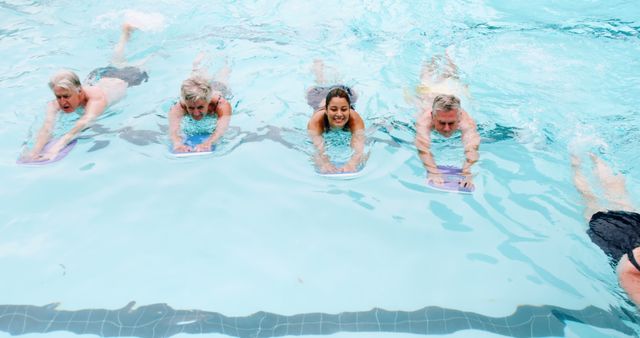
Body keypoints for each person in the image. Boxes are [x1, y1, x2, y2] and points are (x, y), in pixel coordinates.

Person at [26, 23, 148, 161]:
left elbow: (85, 121)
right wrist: (34, 151)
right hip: (102, 76)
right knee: (116, 61)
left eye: (66, 96)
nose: (62, 102)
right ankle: (125, 34)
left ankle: (156, 47)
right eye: (58, 96)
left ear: (79, 91)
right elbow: (46, 127)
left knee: (145, 61)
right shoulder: (55, 104)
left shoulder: (96, 99)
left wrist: (58, 146)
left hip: (127, 78)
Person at [572, 153, 640, 306]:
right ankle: (577, 162)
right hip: (612, 234)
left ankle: (590, 156)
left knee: (618, 194)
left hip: (632, 232)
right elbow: (627, 268)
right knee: (589, 197)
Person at [414, 53, 479, 189]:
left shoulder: (467, 122)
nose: (447, 129)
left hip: (453, 90)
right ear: (433, 116)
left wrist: (467, 171)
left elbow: (472, 147)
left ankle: (448, 53)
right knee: (425, 80)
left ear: (459, 116)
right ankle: (432, 53)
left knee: (453, 76)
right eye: (442, 123)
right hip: (429, 92)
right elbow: (423, 148)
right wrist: (432, 171)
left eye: (452, 123)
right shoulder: (424, 121)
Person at [307, 60, 365, 173]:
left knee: (340, 84)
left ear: (349, 109)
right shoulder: (316, 121)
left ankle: (334, 73)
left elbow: (359, 146)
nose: (339, 114)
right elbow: (318, 148)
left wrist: (352, 163)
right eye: (333, 110)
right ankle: (318, 69)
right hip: (319, 98)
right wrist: (325, 163)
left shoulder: (355, 119)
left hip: (342, 94)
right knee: (320, 83)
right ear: (327, 110)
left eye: (344, 110)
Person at [168, 55, 232, 153]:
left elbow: (221, 129)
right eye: (191, 108)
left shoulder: (221, 104)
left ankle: (225, 59)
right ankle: (197, 64)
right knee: (195, 79)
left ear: (208, 101)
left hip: (219, 87)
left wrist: (209, 142)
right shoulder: (178, 107)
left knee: (223, 75)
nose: (196, 113)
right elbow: (173, 131)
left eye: (200, 107)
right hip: (198, 90)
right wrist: (178, 143)